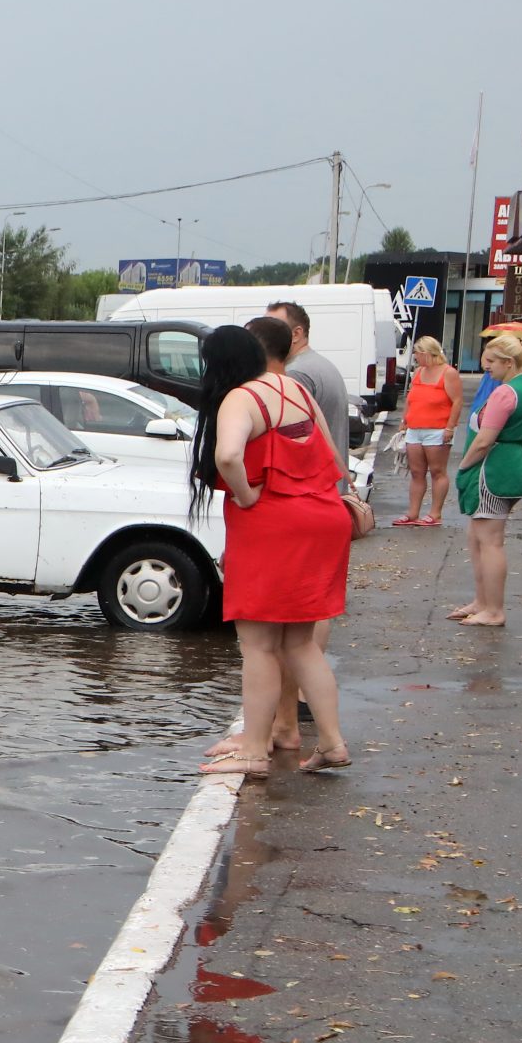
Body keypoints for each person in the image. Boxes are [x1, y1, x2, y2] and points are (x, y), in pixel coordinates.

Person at [193, 322, 351, 776]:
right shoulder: (291, 387)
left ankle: (254, 751)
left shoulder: (239, 398)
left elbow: (227, 456)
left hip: (276, 525)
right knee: (301, 642)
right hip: (324, 516)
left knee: (259, 645)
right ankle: (333, 742)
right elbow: (333, 455)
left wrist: (244, 495)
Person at [447, 336, 522, 627]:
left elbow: (484, 440)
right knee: (478, 536)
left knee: (490, 541)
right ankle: (482, 601)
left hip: (494, 469)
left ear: (508, 362)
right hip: (512, 463)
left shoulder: (504, 393)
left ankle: (493, 609)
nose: (487, 367)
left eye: (491, 362)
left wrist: (463, 465)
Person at [266, 300, 351, 451]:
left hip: (316, 471)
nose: (264, 336)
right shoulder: (319, 364)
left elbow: (289, 440)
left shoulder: (295, 374)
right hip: (330, 471)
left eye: (273, 329)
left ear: (296, 334)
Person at [397, 335, 462, 525]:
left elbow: (457, 401)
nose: (415, 356)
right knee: (417, 472)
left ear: (426, 353)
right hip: (415, 427)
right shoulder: (418, 372)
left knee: (437, 471)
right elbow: (411, 398)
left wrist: (450, 427)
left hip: (438, 428)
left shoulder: (448, 373)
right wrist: (405, 419)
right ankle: (413, 512)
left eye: (417, 352)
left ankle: (435, 513)